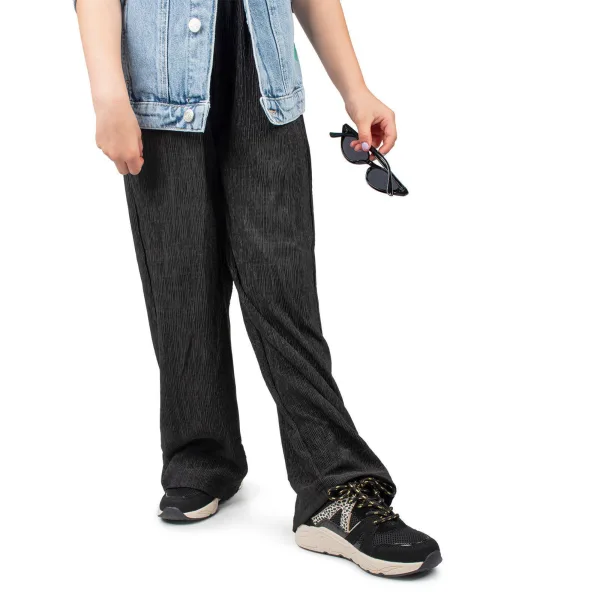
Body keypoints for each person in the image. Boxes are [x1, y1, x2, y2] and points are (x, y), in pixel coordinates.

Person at [75, 0, 441, 577]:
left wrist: (355, 90)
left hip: (265, 86)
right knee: (179, 287)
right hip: (158, 91)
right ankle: (200, 454)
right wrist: (108, 96)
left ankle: (335, 486)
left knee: (283, 292)